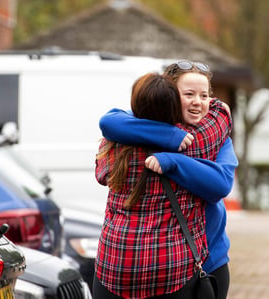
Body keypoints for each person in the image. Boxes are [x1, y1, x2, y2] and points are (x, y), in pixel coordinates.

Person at [99, 60, 237, 299]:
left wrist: (172, 160)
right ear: (170, 95)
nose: (198, 101)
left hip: (208, 256)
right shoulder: (207, 136)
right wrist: (170, 136)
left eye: (204, 95)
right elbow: (110, 120)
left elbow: (222, 184)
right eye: (189, 94)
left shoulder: (215, 135)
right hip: (181, 264)